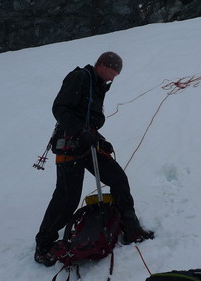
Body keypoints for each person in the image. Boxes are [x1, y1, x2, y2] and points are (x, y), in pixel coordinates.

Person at [34, 51, 154, 267]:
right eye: (112, 72)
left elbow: (87, 118)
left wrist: (99, 139)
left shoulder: (97, 85)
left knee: (117, 177)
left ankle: (131, 228)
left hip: (87, 142)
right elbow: (61, 108)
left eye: (115, 75)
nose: (112, 78)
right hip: (70, 144)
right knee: (66, 198)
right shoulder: (80, 77)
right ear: (101, 65)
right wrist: (81, 132)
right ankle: (43, 246)